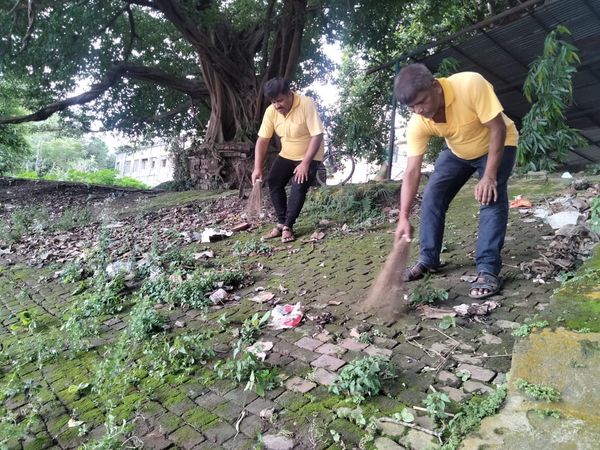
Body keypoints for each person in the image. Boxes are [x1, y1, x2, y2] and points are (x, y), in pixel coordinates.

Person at [393, 63, 519, 299]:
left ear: (435, 86)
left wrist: (489, 176)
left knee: (490, 197)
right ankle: (429, 259)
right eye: (412, 107)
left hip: (498, 144)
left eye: (422, 102)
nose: (419, 110)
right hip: (459, 152)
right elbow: (411, 171)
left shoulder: (470, 84)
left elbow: (497, 128)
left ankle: (488, 269)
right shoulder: (418, 121)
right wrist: (403, 217)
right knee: (432, 196)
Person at [252, 77, 325, 243]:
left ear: (289, 94)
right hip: (287, 153)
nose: (277, 105)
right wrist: (257, 167)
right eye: (273, 102)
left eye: (279, 100)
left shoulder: (306, 104)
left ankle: (288, 226)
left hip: (310, 154)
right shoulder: (271, 111)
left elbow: (317, 135)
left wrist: (305, 163)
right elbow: (262, 140)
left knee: (298, 184)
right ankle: (281, 222)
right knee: (274, 181)